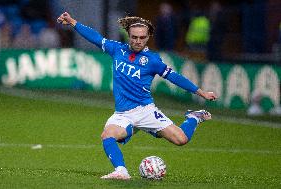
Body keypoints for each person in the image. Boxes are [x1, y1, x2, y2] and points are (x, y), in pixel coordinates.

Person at [57, 12, 217, 180]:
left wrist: (201, 92)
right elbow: (95, 38)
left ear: (148, 38)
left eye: (142, 38)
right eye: (134, 37)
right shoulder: (117, 49)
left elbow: (174, 77)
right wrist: (73, 22)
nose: (137, 41)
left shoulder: (153, 60)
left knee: (181, 139)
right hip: (123, 114)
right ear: (129, 35)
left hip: (146, 111)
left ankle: (193, 117)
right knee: (107, 136)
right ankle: (121, 171)